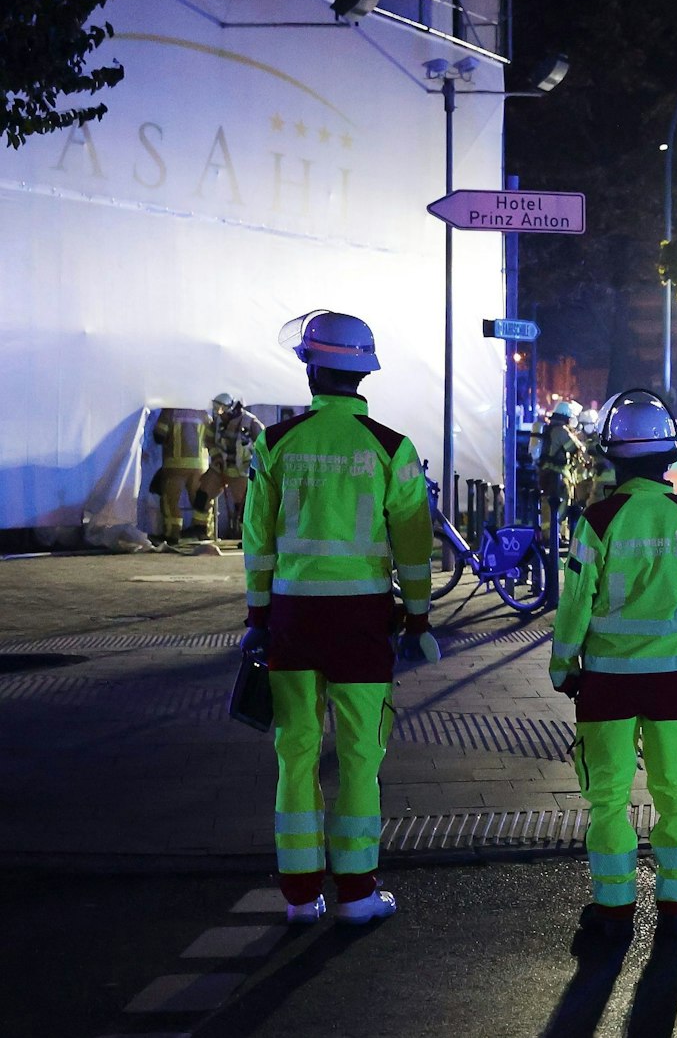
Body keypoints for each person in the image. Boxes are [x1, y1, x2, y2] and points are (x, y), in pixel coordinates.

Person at [239, 311, 436, 926]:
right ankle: (356, 894)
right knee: (360, 760)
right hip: (363, 624)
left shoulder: (275, 444)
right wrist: (419, 619)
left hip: (293, 620)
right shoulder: (391, 448)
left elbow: (257, 542)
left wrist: (258, 616)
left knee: (295, 756)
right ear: (363, 372)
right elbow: (414, 545)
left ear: (310, 369)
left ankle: (300, 897)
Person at [550, 390, 677, 956]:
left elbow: (575, 602)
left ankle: (614, 910)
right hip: (673, 681)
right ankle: (676, 907)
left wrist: (564, 665)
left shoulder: (598, 520)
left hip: (606, 682)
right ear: (668, 456)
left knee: (607, 798)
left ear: (614, 457)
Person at [202, 393, 264, 540]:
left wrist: (257, 463)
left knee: (243, 506)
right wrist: (216, 456)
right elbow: (209, 440)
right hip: (221, 467)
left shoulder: (250, 422)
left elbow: (264, 443)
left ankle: (246, 537)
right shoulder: (216, 423)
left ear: (230, 408)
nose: (219, 413)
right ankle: (200, 530)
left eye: (221, 409)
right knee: (202, 494)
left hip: (242, 470)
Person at [151, 405, 214, 549]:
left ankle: (172, 534)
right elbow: (212, 438)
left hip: (175, 464)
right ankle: (202, 531)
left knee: (170, 500)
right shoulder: (202, 413)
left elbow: (159, 435)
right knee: (200, 498)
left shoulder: (170, 411)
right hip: (200, 464)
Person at [537, 400, 584, 539]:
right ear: (566, 417)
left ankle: (553, 534)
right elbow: (575, 448)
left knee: (548, 503)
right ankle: (554, 535)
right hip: (557, 473)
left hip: (545, 472)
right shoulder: (561, 431)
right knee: (563, 502)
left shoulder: (549, 429)